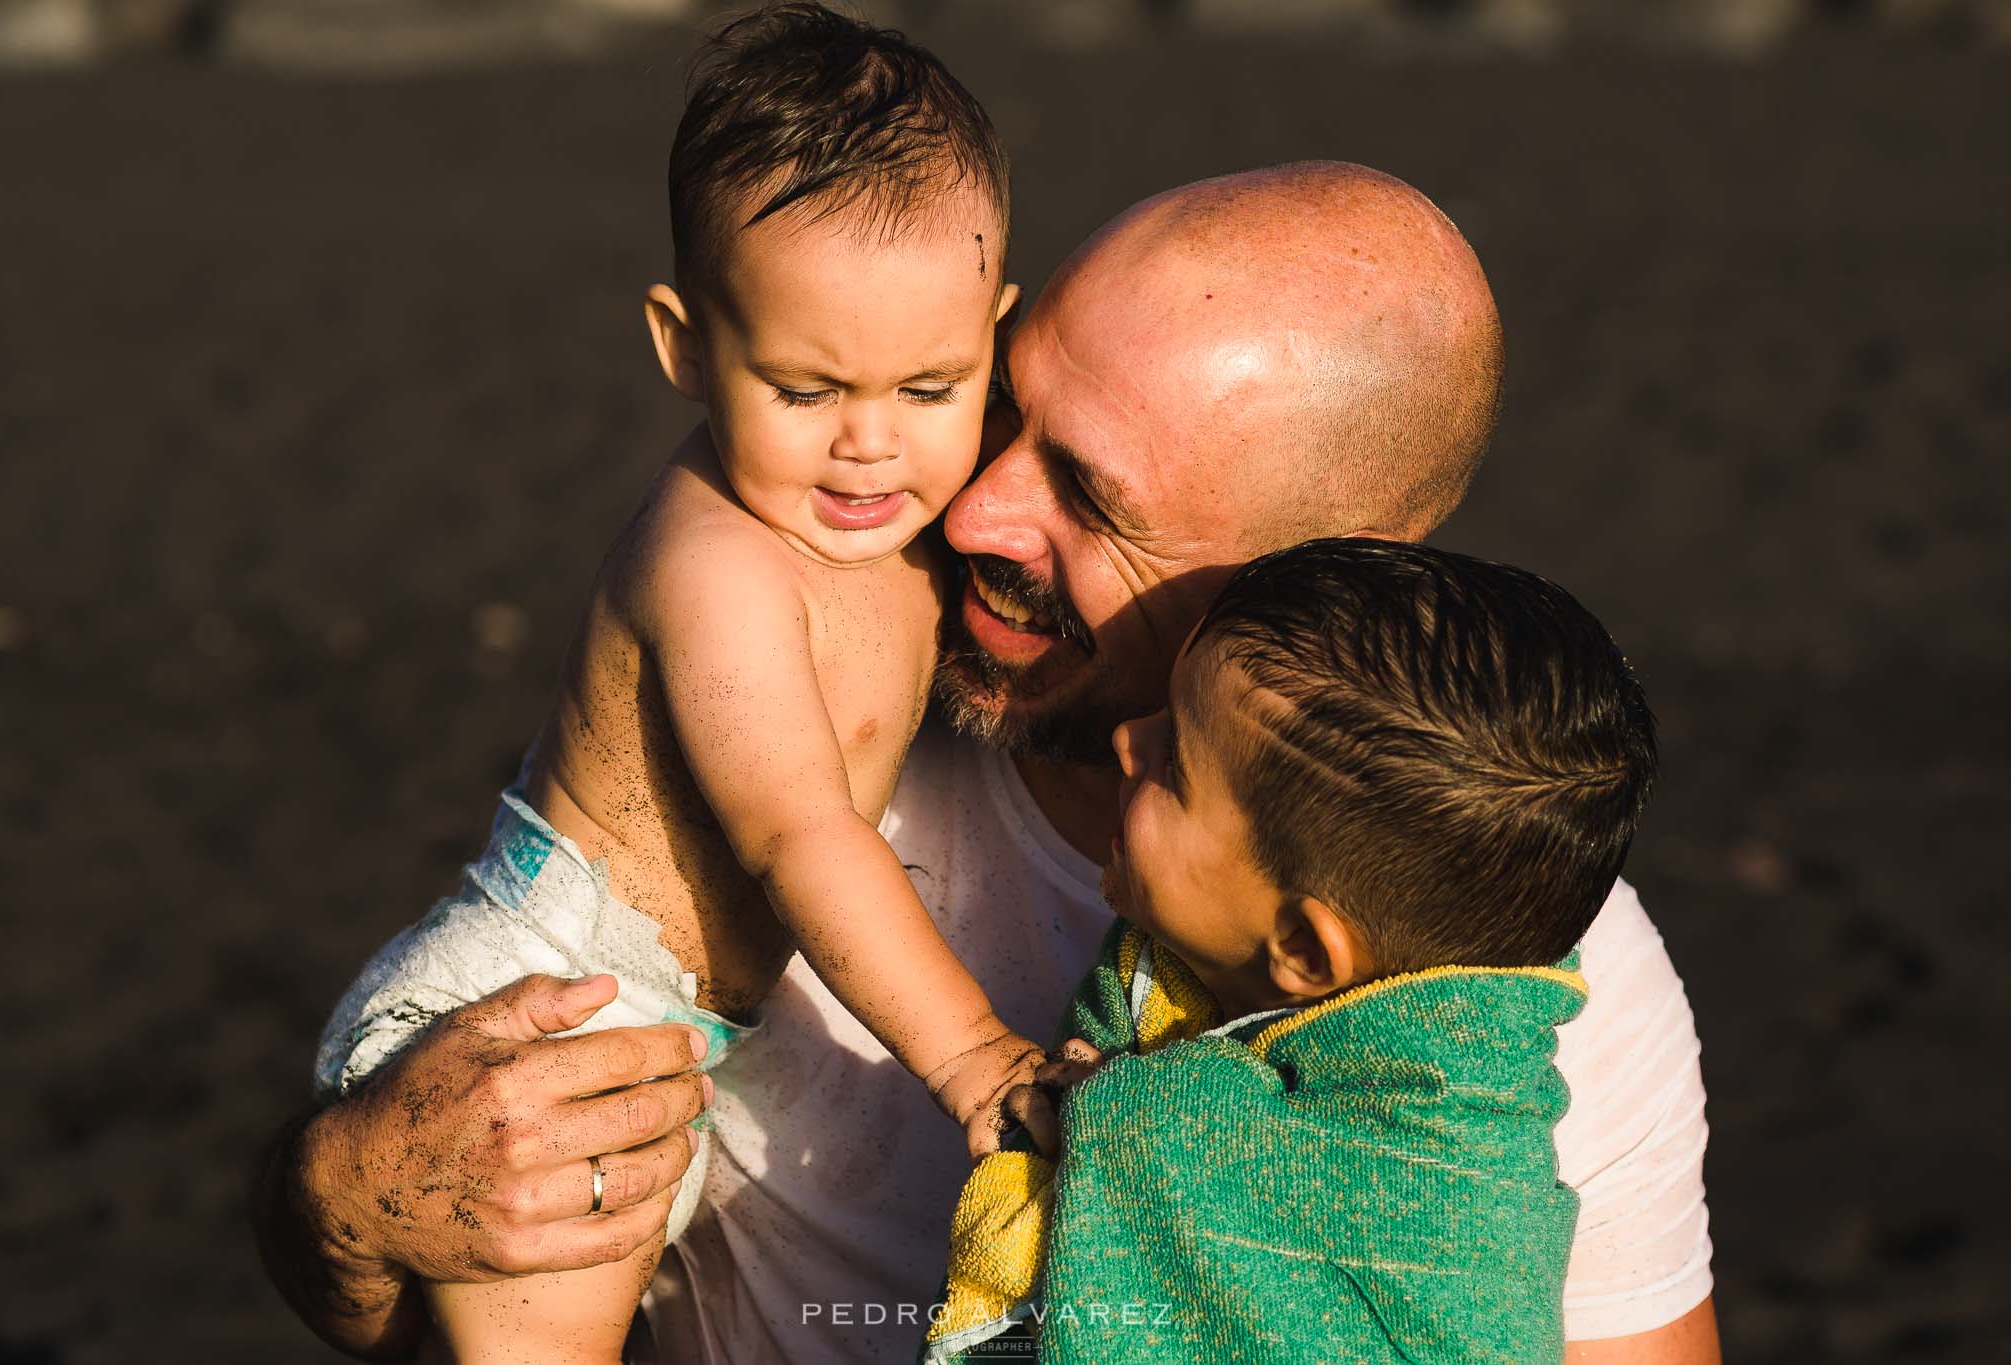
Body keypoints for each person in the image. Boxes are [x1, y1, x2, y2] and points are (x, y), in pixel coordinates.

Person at [253, 163, 1718, 1364]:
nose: (969, 516)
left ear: (1321, 576)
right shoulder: (804, 694)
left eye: (1086, 497)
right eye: (1004, 411)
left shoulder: (1511, 983)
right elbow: (391, 1270)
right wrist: (350, 1197)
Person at [297, 7, 1040, 1361]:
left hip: (675, 1037)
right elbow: (795, 829)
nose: (870, 446)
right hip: (551, 1006)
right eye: (806, 388)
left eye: (930, 385)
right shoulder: (720, 567)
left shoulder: (904, 501)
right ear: (685, 347)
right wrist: (977, 1059)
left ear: (994, 335)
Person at [924, 537, 1658, 1362]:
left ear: (1305, 952)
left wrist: (1119, 1109)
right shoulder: (1185, 967)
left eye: (1174, 763)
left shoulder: (1443, 1182)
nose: (1128, 740)